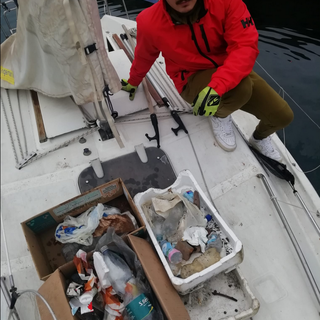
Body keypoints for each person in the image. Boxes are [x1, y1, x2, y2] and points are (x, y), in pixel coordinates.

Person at [121, 0, 294, 161]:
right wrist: (134, 81)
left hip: (228, 69)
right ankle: (220, 115)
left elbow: (245, 46)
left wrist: (217, 86)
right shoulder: (148, 21)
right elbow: (144, 57)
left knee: (282, 116)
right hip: (190, 78)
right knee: (241, 88)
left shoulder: (228, 3)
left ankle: (259, 138)